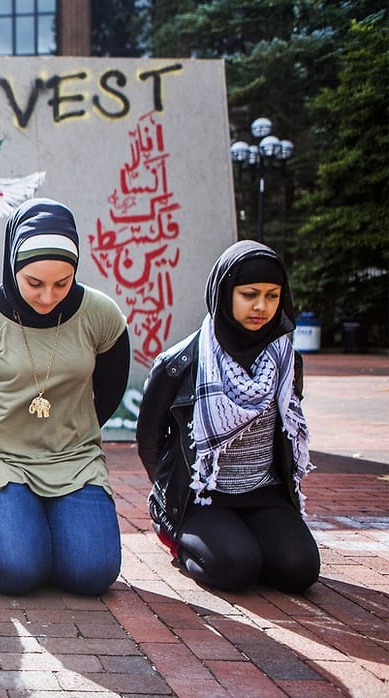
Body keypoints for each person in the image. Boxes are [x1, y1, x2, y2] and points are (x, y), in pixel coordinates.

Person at [0, 198, 130, 596]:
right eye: (34, 283)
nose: (47, 297)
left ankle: (52, 525)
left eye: (62, 283)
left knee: (92, 574)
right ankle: (23, 522)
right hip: (1, 462)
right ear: (12, 265)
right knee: (17, 572)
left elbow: (111, 391)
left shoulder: (101, 315)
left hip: (75, 460)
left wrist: (71, 430)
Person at [137, 240, 319, 593]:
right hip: (200, 496)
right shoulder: (180, 363)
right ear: (224, 293)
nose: (261, 306)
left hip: (265, 493)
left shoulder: (285, 361)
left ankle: (242, 537)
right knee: (235, 569)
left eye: (272, 295)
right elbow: (149, 440)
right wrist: (170, 496)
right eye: (249, 294)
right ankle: (180, 533)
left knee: (300, 570)